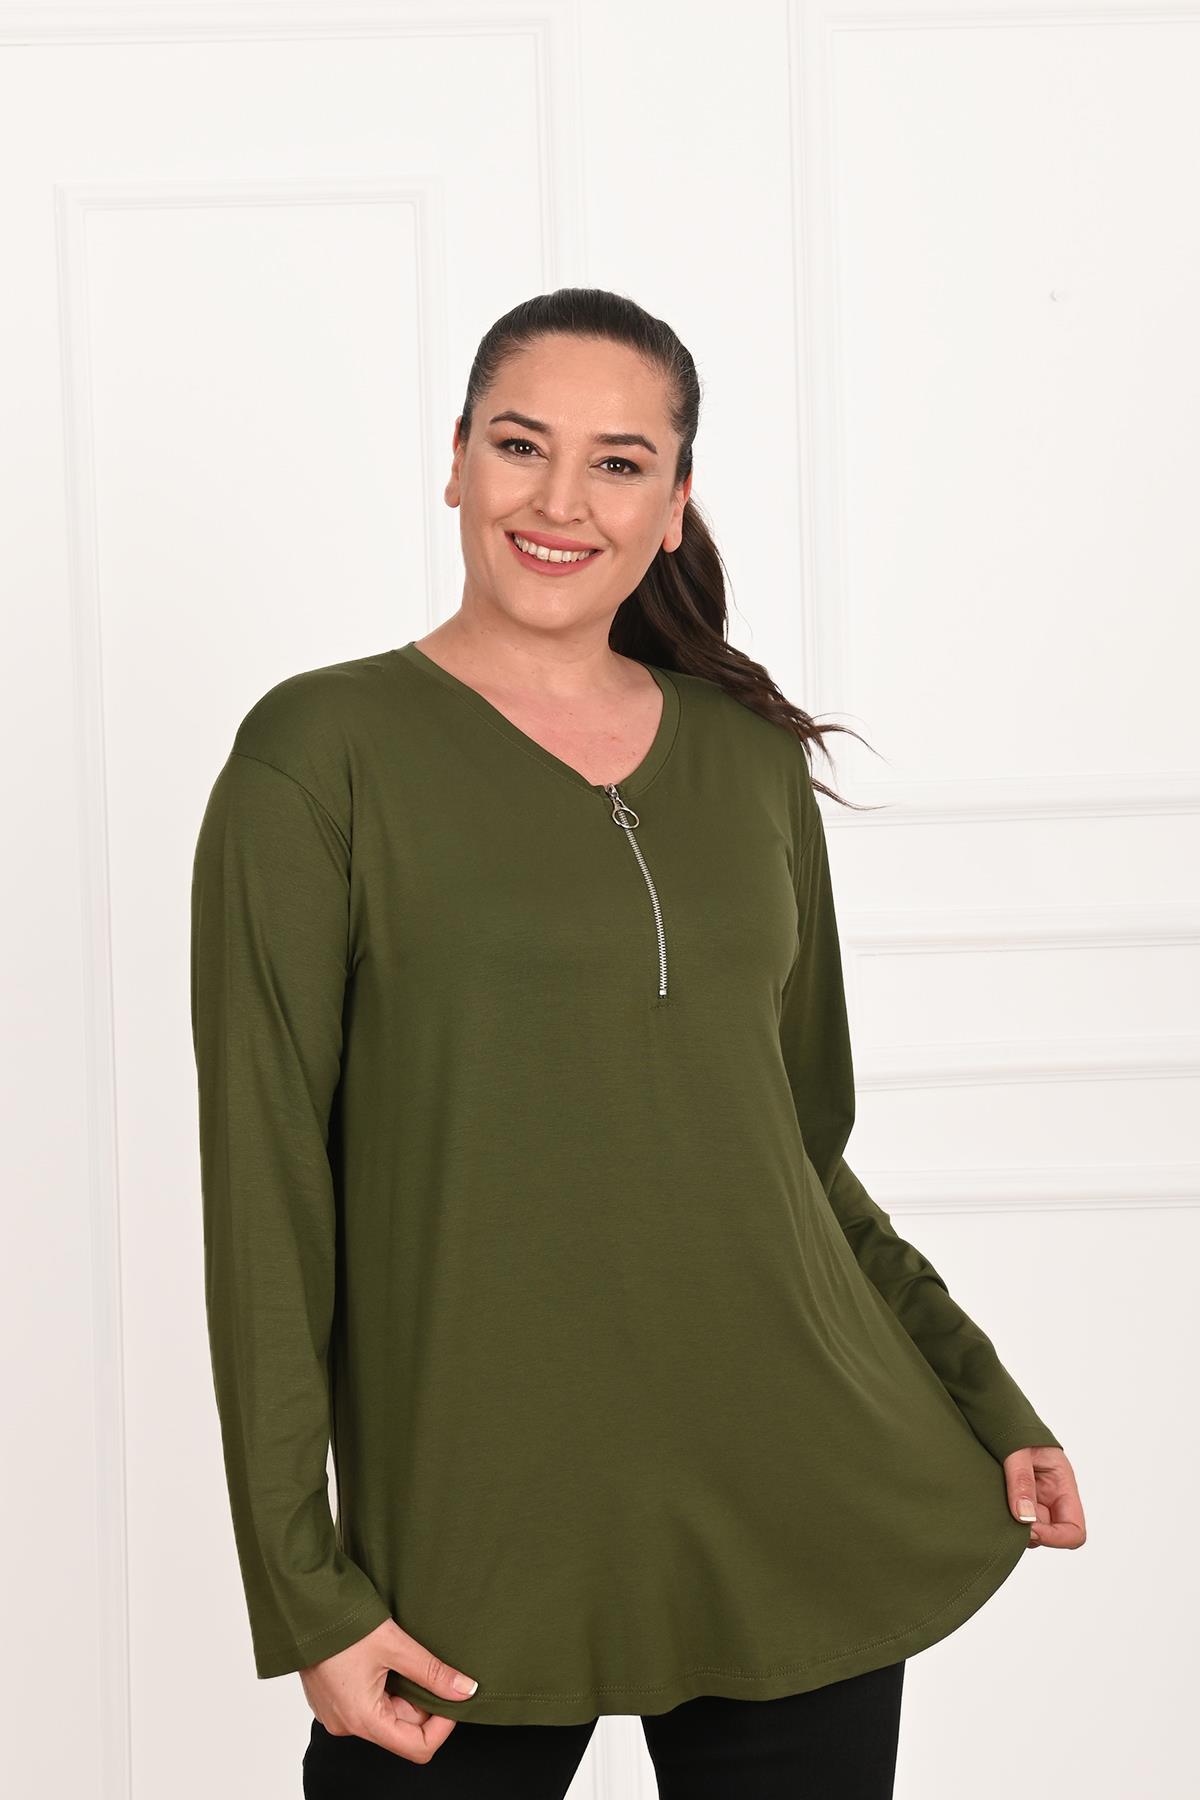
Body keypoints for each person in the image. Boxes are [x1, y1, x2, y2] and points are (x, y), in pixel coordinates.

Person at [189, 288, 1086, 1798]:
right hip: (467, 1548)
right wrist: (304, 1589)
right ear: (455, 462)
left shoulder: (748, 762)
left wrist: (982, 1396)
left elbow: (795, 1155)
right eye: (520, 444)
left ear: (673, 507)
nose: (560, 501)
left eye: (617, 463)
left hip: (799, 1506)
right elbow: (266, 1201)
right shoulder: (318, 754)